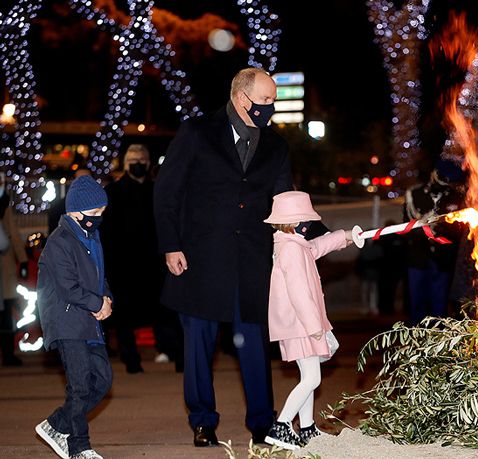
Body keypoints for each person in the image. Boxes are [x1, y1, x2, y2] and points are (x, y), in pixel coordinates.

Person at [154, 67, 293, 447]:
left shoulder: (276, 146)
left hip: (251, 263)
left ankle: (262, 422)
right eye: (265, 101)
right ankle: (202, 420)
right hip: (199, 259)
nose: (271, 109)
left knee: (254, 342)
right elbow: (168, 193)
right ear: (241, 98)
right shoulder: (196, 133)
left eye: (273, 102)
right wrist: (171, 245)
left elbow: (285, 202)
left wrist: (308, 234)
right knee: (198, 344)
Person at [262, 191, 352, 450]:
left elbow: (318, 247)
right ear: (296, 223)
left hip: (300, 325)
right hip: (300, 325)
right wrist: (315, 328)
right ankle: (281, 426)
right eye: (306, 221)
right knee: (311, 379)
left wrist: (345, 236)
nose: (310, 226)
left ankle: (308, 427)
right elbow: (299, 293)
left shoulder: (294, 245)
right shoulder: (291, 250)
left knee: (309, 375)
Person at [35, 175, 113, 459]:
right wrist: (96, 302)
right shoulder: (59, 242)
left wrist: (107, 299)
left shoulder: (91, 236)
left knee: (102, 379)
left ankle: (57, 424)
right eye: (94, 214)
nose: (98, 219)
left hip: (88, 321)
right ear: (74, 211)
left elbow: (98, 274)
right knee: (80, 385)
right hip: (67, 322)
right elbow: (68, 287)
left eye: (101, 214)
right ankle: (79, 446)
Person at [101, 144, 182, 373]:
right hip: (124, 264)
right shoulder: (113, 193)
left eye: (142, 159)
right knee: (125, 316)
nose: (138, 163)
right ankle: (131, 361)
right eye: (133, 159)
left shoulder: (158, 191)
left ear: (148, 163)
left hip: (155, 264)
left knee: (164, 313)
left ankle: (176, 355)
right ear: (126, 163)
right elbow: (107, 232)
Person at [404, 159, 466, 325]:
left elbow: (459, 228)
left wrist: (443, 227)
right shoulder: (414, 194)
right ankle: (417, 340)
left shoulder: (455, 196)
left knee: (439, 305)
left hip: (443, 257)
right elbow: (407, 225)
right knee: (417, 303)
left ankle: (436, 341)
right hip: (419, 257)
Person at [0, 177, 27, 366]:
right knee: (5, 314)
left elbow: (14, 236)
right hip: (5, 265)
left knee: (5, 313)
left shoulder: (4, 207)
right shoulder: (4, 206)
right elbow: (13, 236)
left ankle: (8, 353)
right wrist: (23, 260)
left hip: (5, 266)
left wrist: (23, 259)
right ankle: (8, 354)